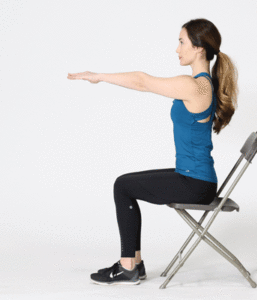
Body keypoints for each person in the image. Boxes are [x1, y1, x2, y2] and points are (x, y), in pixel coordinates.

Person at [67, 18, 238, 286]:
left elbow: (142, 81)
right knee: (126, 184)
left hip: (195, 183)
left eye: (182, 42)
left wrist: (99, 76)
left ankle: (128, 268)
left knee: (122, 186)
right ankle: (133, 264)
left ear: (199, 49)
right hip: (195, 178)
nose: (177, 48)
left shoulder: (195, 86)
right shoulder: (202, 85)